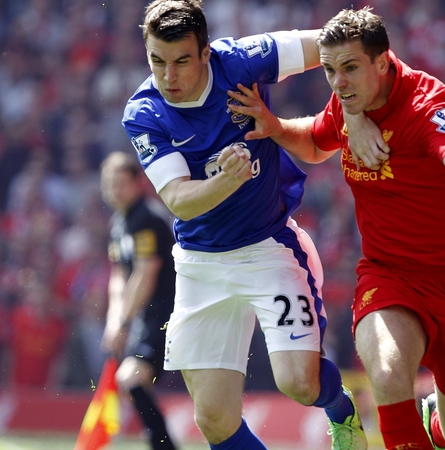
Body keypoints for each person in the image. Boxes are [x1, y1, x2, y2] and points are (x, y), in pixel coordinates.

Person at [225, 7, 445, 450]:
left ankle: (434, 421)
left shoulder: (428, 105)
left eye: (350, 68)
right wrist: (276, 127)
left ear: (383, 61)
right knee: (389, 371)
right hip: (389, 274)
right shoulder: (348, 100)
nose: (338, 82)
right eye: (331, 70)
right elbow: (317, 142)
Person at [121, 1, 374, 449]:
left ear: (205, 53)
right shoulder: (144, 113)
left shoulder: (242, 59)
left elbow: (338, 43)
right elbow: (180, 201)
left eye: (181, 61)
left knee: (300, 383)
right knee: (214, 419)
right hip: (201, 265)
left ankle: (341, 410)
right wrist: (226, 179)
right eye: (157, 61)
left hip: (267, 247)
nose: (169, 77)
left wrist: (356, 112)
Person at [100, 151, 177, 449]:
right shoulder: (120, 223)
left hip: (168, 313)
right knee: (131, 382)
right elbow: (119, 276)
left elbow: (146, 274)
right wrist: (114, 321)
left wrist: (122, 322)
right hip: (148, 316)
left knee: (130, 380)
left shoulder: (146, 219)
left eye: (121, 182)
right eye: (110, 184)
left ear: (138, 183)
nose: (115, 190)